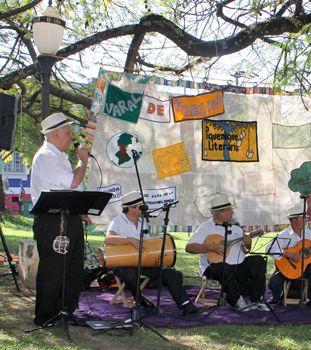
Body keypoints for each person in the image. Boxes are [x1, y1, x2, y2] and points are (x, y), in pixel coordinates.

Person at [30, 112, 91, 326]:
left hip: (68, 218)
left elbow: (67, 191)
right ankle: (46, 315)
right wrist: (83, 161)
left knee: (74, 267)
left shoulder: (60, 156)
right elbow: (74, 182)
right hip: (52, 221)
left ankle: (65, 311)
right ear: (55, 134)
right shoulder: (46, 156)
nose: (70, 137)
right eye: (67, 132)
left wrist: (80, 210)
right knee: (54, 269)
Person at [104, 191, 201, 316]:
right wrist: (129, 240)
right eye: (141, 206)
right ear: (130, 208)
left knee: (170, 273)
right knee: (130, 272)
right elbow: (108, 239)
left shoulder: (143, 222)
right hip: (122, 262)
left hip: (143, 262)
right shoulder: (118, 221)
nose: (144, 208)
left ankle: (187, 306)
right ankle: (143, 302)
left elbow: (147, 245)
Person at [185, 195, 269, 311]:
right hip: (214, 266)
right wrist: (212, 247)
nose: (233, 212)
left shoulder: (236, 228)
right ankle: (236, 301)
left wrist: (248, 243)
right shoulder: (205, 227)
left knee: (258, 260)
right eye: (230, 210)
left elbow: (245, 251)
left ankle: (256, 299)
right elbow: (189, 248)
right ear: (219, 213)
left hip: (238, 265)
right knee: (224, 267)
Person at [266, 205, 311, 309]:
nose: (306, 220)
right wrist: (289, 254)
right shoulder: (284, 234)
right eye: (303, 218)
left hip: (305, 269)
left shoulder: (309, 233)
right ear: (294, 220)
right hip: (288, 268)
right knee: (273, 282)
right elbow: (269, 249)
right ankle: (278, 296)